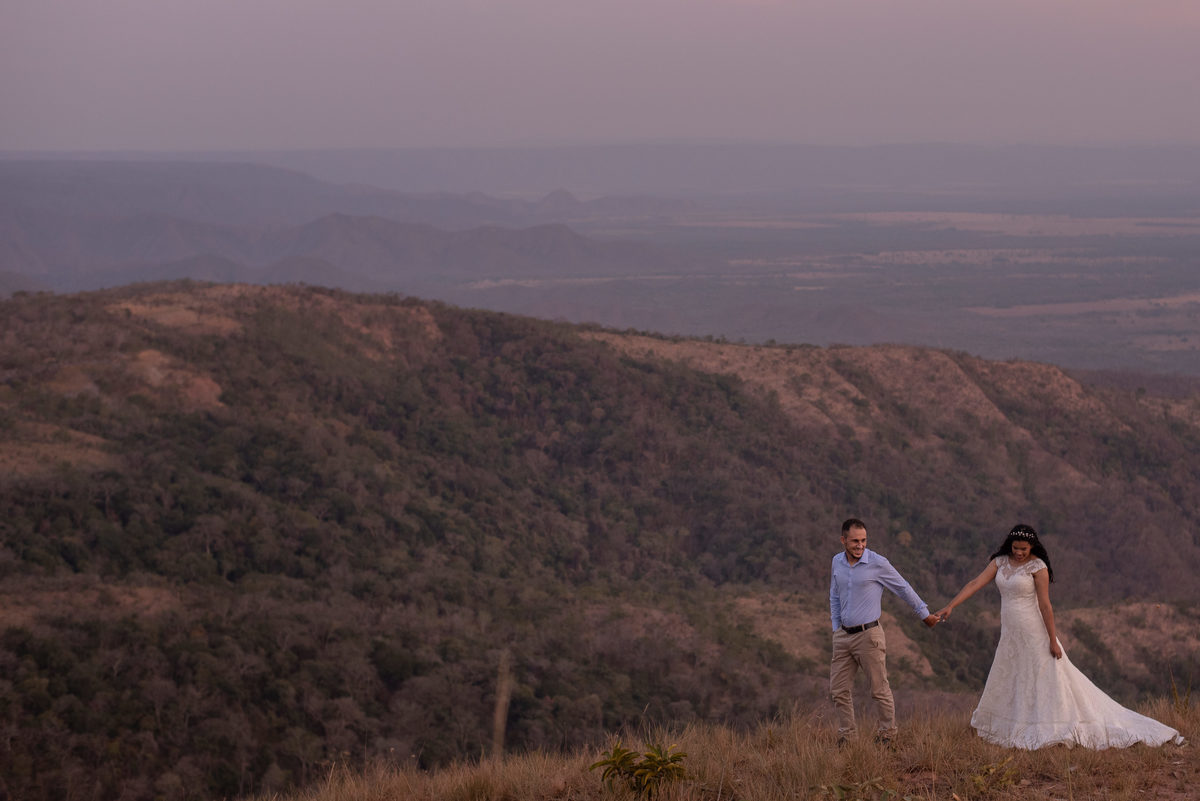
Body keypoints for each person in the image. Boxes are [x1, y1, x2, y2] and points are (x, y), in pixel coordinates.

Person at [935, 524, 1184, 749]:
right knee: (1013, 674)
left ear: (1032, 547)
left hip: (1034, 631)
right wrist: (951, 605)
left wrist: (1053, 640)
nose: (1019, 553)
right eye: (1015, 548)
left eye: (1023, 548)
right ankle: (1013, 724)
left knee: (1043, 677)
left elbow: (1045, 606)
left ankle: (1050, 724)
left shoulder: (1038, 567)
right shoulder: (1000, 562)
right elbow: (975, 582)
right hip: (1010, 632)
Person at [829, 518, 940, 744]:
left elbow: (903, 588)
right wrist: (835, 627)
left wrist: (925, 614)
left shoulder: (878, 563)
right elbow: (834, 595)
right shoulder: (836, 562)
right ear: (843, 540)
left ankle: (887, 735)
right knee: (838, 690)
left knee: (879, 689)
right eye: (854, 541)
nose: (860, 545)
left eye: (863, 540)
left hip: (869, 635)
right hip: (842, 636)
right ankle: (847, 738)